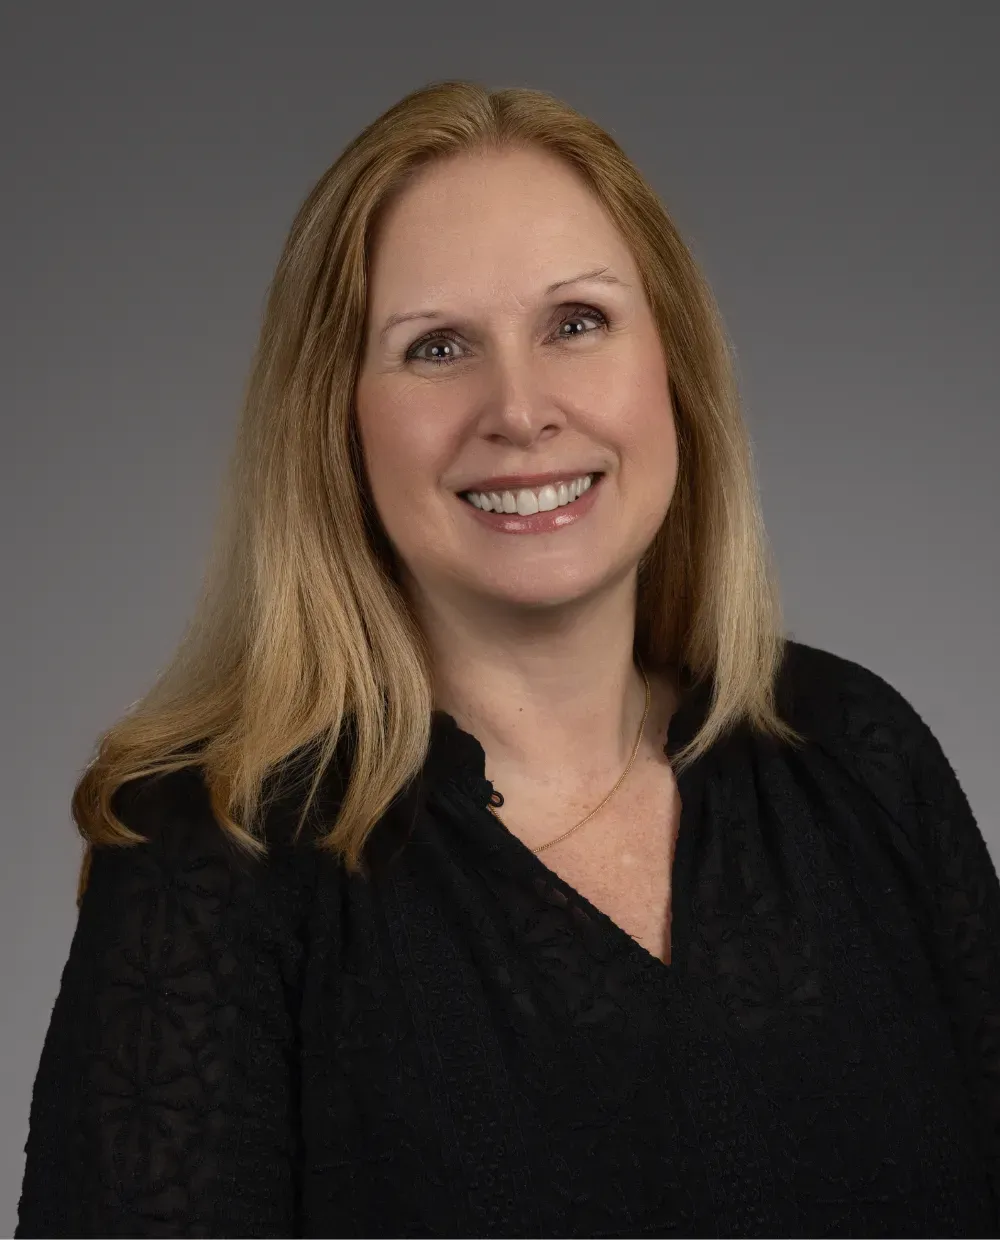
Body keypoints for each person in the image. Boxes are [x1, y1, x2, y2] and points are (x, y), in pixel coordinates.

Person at [15, 79, 999, 1239]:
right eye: (436, 347)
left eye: (576, 322)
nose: (520, 409)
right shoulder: (213, 855)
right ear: (335, 422)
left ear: (670, 363)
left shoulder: (851, 749)